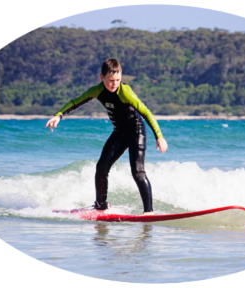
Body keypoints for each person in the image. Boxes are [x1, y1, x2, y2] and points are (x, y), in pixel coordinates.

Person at [45, 59, 168, 215]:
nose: (114, 84)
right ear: (102, 77)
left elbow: (146, 112)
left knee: (137, 172)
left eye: (117, 80)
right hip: (119, 132)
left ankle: (149, 212)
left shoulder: (125, 92)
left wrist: (159, 136)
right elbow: (76, 102)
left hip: (136, 132)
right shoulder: (97, 90)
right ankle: (100, 206)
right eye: (110, 80)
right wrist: (58, 115)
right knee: (101, 168)